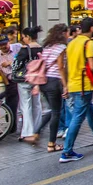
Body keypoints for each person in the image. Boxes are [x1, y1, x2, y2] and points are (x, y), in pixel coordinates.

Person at [60, 18, 93, 163]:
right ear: (91, 28)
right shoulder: (88, 43)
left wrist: (65, 85)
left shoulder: (72, 43)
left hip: (73, 84)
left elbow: (65, 66)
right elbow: (92, 66)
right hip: (84, 86)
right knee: (78, 117)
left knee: (90, 112)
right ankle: (67, 151)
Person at [35, 24, 69, 152]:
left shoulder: (47, 47)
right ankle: (51, 144)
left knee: (52, 110)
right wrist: (65, 86)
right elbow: (60, 67)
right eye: (67, 33)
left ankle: (36, 132)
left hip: (44, 81)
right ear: (63, 34)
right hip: (54, 81)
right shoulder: (61, 47)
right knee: (56, 112)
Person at [15, 26, 43, 144]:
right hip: (37, 80)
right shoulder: (41, 48)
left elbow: (17, 64)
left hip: (25, 80)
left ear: (28, 37)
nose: (23, 39)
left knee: (25, 106)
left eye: (24, 37)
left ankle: (27, 132)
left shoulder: (24, 49)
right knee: (37, 104)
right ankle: (37, 129)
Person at [57, 24, 81, 138]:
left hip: (53, 79)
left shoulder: (50, 46)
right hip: (64, 78)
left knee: (60, 106)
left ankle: (60, 129)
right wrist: (65, 83)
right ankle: (68, 128)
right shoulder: (64, 46)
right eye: (66, 32)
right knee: (69, 104)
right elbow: (62, 66)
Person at [0, 34, 19, 133]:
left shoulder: (17, 48)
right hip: (8, 80)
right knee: (9, 103)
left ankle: (12, 127)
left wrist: (10, 62)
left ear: (9, 42)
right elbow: (0, 70)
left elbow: (22, 61)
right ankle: (11, 126)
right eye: (1, 45)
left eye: (5, 44)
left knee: (12, 104)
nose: (3, 47)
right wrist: (6, 83)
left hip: (17, 79)